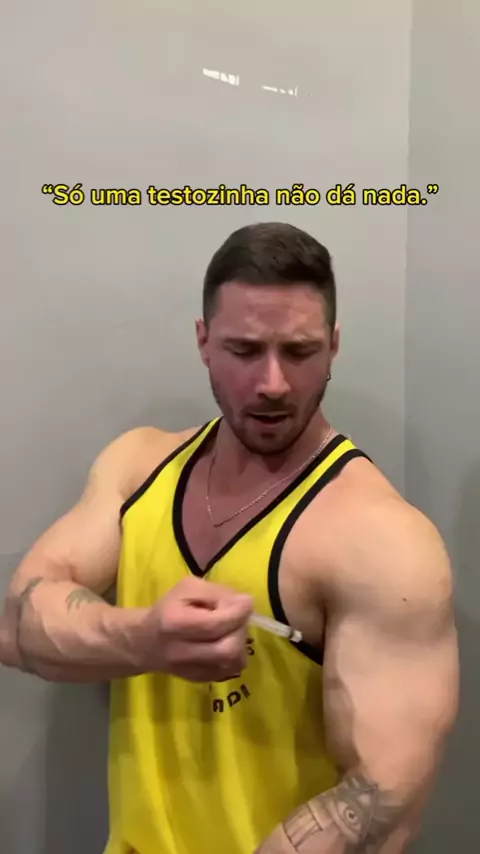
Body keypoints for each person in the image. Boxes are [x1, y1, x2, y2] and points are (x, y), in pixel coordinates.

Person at [0, 222, 459, 854]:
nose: (272, 383)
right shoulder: (139, 468)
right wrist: (144, 640)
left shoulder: (382, 539)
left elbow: (383, 800)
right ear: (203, 342)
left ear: (333, 346)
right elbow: (16, 626)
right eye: (244, 350)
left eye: (299, 352)